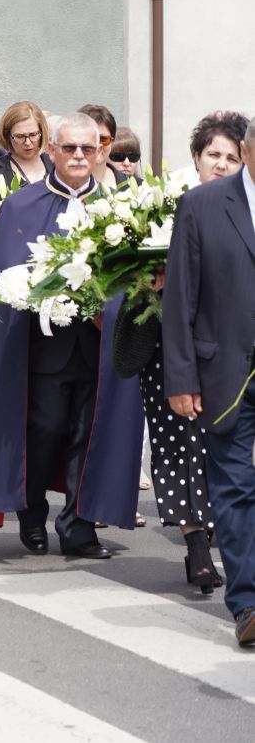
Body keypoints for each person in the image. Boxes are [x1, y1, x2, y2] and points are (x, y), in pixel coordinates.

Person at [0, 113, 144, 557]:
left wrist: (111, 310)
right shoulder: (21, 206)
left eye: (88, 149)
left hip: (99, 349)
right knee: (45, 429)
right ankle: (32, 513)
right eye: (70, 148)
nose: (79, 156)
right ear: (53, 151)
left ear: (100, 152)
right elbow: (4, 275)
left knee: (88, 434)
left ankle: (78, 526)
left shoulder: (118, 209)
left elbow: (135, 281)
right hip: (40, 350)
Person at [138, 111, 247, 595]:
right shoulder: (173, 205)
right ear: (197, 157)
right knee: (181, 452)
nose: (222, 163)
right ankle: (199, 548)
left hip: (224, 351)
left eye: (229, 154)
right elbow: (176, 292)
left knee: (226, 472)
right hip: (182, 353)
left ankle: (225, 539)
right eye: (213, 155)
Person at [163, 116, 255, 646]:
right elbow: (180, 298)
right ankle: (247, 604)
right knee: (236, 485)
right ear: (246, 152)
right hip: (224, 370)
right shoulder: (202, 205)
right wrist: (181, 376)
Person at [0, 101, 51, 203]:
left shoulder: (56, 165)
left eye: (33, 135)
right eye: (20, 136)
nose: (28, 142)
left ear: (42, 132)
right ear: (7, 135)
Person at [77, 103, 122, 187]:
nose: (96, 146)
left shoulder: (130, 186)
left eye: (103, 139)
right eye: (89, 138)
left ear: (112, 142)